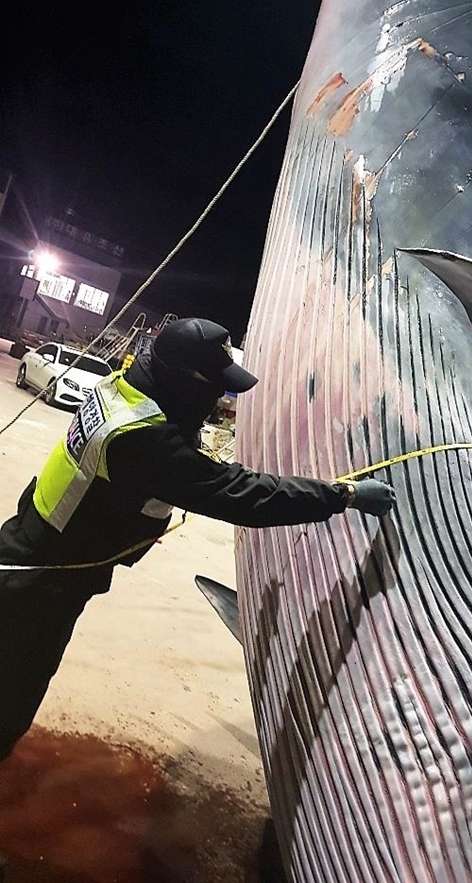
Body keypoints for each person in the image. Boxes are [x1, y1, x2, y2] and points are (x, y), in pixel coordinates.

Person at [0, 317, 395, 763]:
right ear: (185, 380)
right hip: (37, 583)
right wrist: (341, 495)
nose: (218, 398)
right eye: (214, 385)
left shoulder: (121, 389)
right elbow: (243, 494)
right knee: (9, 698)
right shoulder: (147, 441)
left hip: (33, 542)